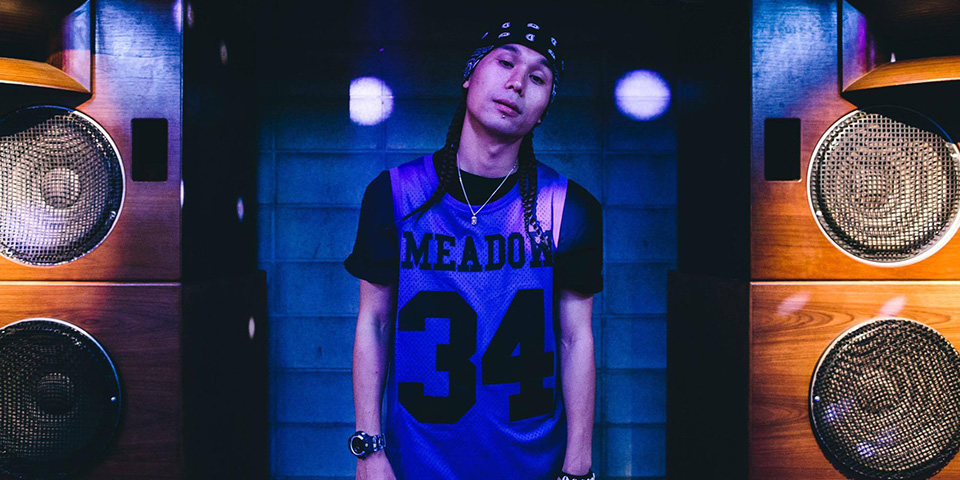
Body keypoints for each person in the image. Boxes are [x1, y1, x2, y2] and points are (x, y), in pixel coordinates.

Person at [345, 20, 602, 480]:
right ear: (469, 75)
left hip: (533, 465)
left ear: (544, 109)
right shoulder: (394, 195)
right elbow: (374, 322)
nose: (517, 83)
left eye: (538, 77)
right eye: (504, 62)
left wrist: (578, 466)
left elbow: (575, 338)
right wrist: (369, 450)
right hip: (415, 465)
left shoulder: (569, 208)